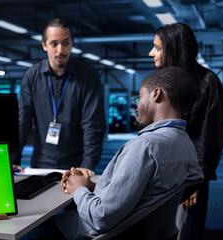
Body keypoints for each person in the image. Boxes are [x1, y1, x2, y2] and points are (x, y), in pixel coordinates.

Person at [25, 67, 203, 240]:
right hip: (143, 232)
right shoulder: (186, 144)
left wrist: (78, 188)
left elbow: (100, 217)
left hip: (99, 231)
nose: (137, 105)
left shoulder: (145, 146)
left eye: (140, 96)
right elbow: (143, 194)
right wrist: (92, 186)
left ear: (156, 94)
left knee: (34, 225)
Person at [149, 23, 223, 240]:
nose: (151, 53)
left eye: (157, 47)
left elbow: (210, 138)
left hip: (188, 178)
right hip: (159, 175)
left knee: (184, 233)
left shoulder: (207, 83)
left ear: (173, 50)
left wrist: (195, 182)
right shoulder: (161, 83)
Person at [13, 18, 106, 174]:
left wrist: (88, 164)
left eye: (65, 43)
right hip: (40, 164)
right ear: (44, 45)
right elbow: (23, 122)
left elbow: (92, 125)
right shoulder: (32, 76)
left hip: (76, 165)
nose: (60, 50)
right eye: (54, 44)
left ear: (71, 43)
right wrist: (13, 160)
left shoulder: (88, 76)